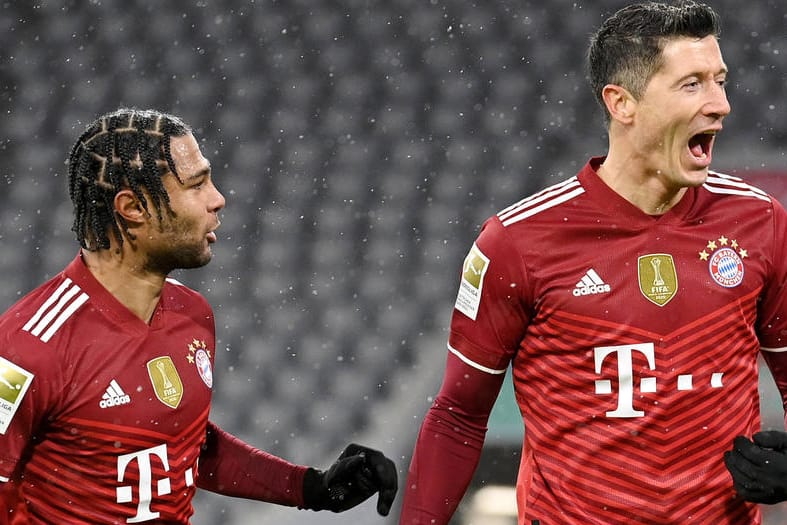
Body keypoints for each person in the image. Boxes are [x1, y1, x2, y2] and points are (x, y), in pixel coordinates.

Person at [399, 1, 787, 524]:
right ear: (621, 103)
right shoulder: (517, 242)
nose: (721, 105)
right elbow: (458, 415)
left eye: (720, 81)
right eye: (692, 85)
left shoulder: (760, 223)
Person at [0, 108, 398, 524]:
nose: (217, 198)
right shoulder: (26, 349)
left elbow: (182, 447)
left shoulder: (192, 313)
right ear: (133, 207)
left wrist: (311, 487)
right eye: (197, 184)